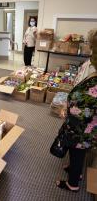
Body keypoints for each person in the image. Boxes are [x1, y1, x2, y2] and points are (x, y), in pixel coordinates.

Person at [56, 29, 97, 192]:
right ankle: (76, 171)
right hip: (84, 120)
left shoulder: (93, 68)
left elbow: (85, 100)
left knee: (77, 148)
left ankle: (72, 184)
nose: (87, 45)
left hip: (83, 122)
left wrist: (68, 109)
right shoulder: (91, 63)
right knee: (77, 148)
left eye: (90, 43)